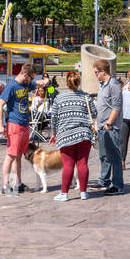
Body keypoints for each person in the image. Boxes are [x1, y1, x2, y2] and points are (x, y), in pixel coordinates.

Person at [49, 70, 94, 201]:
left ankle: (64, 193)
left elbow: (54, 118)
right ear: (78, 82)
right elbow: (95, 113)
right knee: (82, 163)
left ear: (67, 83)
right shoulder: (86, 96)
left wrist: (53, 133)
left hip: (65, 135)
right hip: (84, 134)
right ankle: (84, 192)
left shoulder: (59, 98)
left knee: (68, 165)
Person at [0, 64, 33, 195]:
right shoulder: (11, 86)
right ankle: (6, 185)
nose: (31, 81)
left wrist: (45, 82)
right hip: (15, 125)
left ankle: (18, 184)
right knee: (10, 156)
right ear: (25, 75)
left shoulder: (26, 84)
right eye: (31, 78)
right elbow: (0, 104)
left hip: (24, 124)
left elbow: (38, 83)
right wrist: (0, 125)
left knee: (18, 156)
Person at [91, 60, 124, 194]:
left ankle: (117, 184)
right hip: (102, 126)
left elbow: (116, 107)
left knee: (114, 156)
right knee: (104, 155)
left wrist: (109, 123)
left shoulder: (113, 85)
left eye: (96, 72)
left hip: (110, 127)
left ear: (103, 71)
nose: (95, 75)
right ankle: (104, 180)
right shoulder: (102, 85)